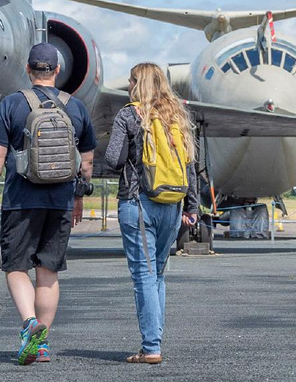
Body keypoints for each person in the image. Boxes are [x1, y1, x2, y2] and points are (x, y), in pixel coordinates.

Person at [0, 43, 96, 364]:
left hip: (20, 200)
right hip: (60, 201)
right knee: (48, 271)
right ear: (57, 70)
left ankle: (30, 323)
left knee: (16, 267)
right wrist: (78, 197)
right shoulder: (76, 107)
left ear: (28, 70)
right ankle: (41, 344)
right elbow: (86, 161)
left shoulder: (12, 104)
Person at [105, 62, 199, 364]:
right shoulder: (177, 116)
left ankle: (151, 346)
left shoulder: (129, 115)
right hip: (172, 205)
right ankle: (154, 341)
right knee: (157, 274)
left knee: (143, 276)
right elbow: (190, 166)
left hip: (138, 204)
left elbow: (113, 160)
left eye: (131, 80)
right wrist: (192, 207)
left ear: (137, 83)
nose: (128, 85)